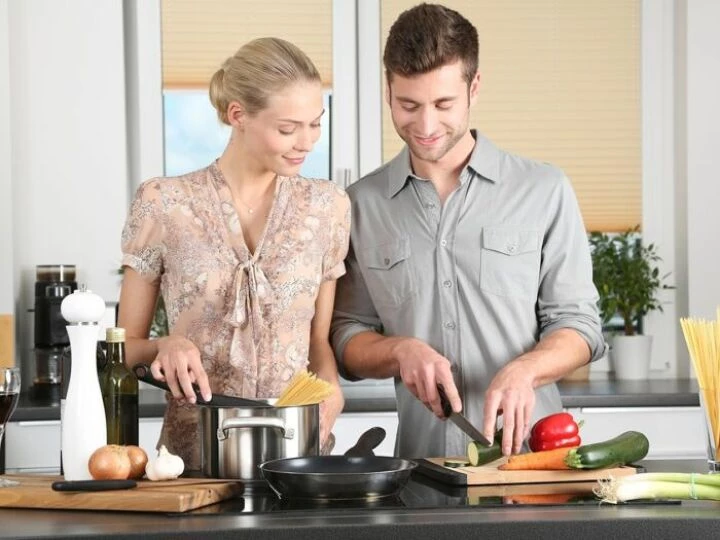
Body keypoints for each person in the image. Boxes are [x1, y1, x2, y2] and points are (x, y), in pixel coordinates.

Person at [330, 3, 605, 459]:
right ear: (388, 91)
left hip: (536, 466)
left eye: (443, 104)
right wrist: (399, 350)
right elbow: (346, 335)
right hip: (422, 472)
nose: (425, 126)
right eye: (408, 105)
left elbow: (580, 325)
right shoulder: (361, 204)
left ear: (474, 87)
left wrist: (527, 370)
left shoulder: (543, 189)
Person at [118, 37, 350, 469]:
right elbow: (120, 350)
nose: (307, 142)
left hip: (296, 457)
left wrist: (331, 386)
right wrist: (164, 345)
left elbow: (317, 340)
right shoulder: (164, 203)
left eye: (316, 123)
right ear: (237, 115)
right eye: (288, 128)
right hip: (191, 463)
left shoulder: (328, 207)